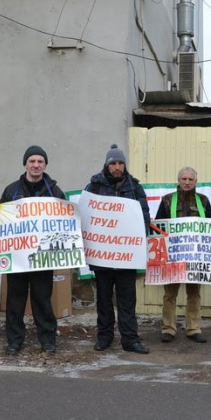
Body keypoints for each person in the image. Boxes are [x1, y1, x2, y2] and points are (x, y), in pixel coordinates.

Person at [86, 144, 151, 354]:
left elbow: (144, 218)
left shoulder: (135, 187)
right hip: (102, 258)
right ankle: (104, 337)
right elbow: (87, 217)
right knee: (104, 300)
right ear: (107, 165)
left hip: (126, 257)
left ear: (124, 165)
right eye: (113, 163)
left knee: (127, 301)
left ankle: (130, 339)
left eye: (120, 163)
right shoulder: (94, 186)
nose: (116, 167)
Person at [0, 145, 65, 355]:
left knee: (42, 300)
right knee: (15, 302)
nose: (36, 165)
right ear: (25, 164)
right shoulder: (11, 191)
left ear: (45, 165)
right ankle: (14, 341)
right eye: (32, 161)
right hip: (17, 258)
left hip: (43, 258)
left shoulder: (55, 191)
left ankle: (47, 340)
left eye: (40, 162)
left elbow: (65, 222)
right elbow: (2, 222)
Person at [155, 166, 211, 343]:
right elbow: (158, 226)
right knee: (170, 294)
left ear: (196, 181)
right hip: (173, 255)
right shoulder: (167, 200)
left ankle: (193, 329)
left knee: (194, 293)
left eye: (190, 179)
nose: (187, 182)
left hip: (195, 255)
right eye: (184, 179)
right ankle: (168, 329)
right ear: (178, 180)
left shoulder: (203, 201)